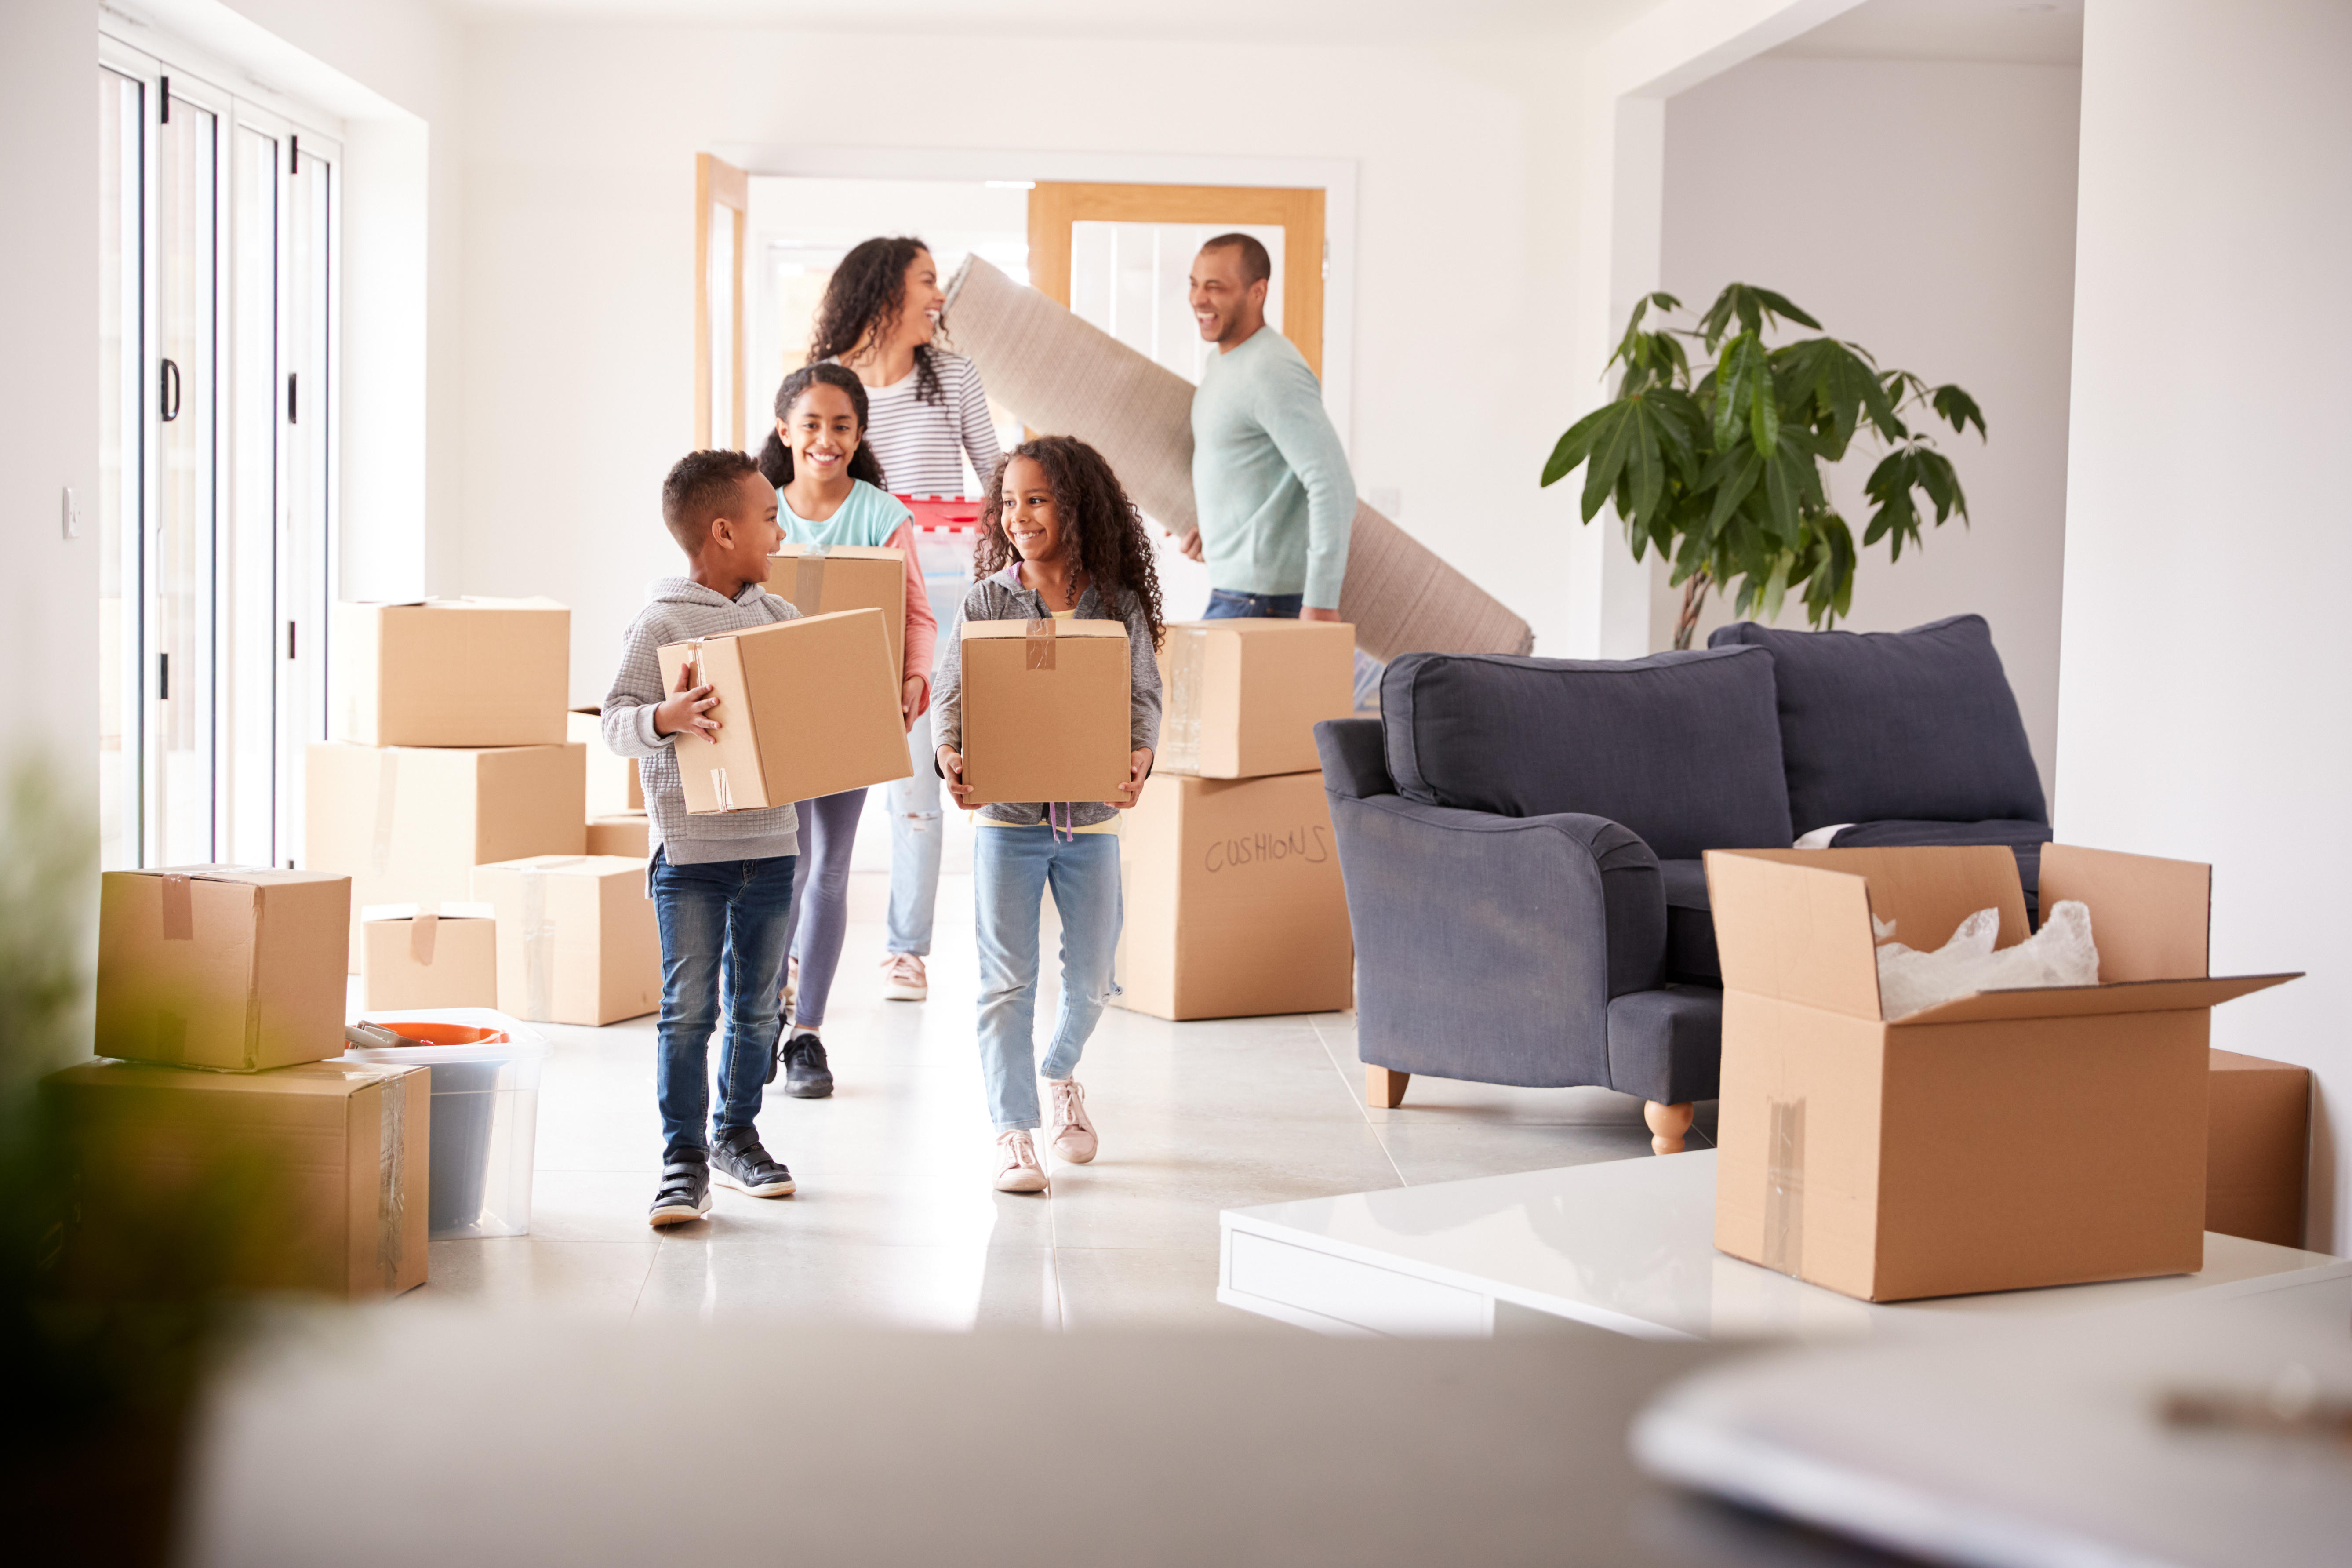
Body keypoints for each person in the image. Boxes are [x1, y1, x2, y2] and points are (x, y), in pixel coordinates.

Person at [931, 437, 1164, 1194]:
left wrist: (1141, 754)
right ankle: (1013, 1132)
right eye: (1008, 503)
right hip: (1006, 818)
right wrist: (950, 754)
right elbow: (952, 696)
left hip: (1091, 818)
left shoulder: (1115, 605)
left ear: (1077, 506)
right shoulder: (986, 602)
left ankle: (1060, 1072)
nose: (1018, 517)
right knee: (1005, 984)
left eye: (1036, 500)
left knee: (1095, 981)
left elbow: (1143, 701)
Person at [602, 449, 802, 1227]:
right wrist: (666, 719)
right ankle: (682, 1157)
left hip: (774, 845)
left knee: (757, 1009)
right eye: (768, 517)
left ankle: (737, 1134)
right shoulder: (660, 622)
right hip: (690, 857)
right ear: (724, 531)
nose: (779, 530)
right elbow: (616, 720)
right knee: (690, 1008)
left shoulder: (779, 619)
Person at [809, 236, 1004, 1006]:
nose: (939, 296)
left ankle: (905, 951)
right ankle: (800, 948)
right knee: (819, 771)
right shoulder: (831, 389)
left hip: (940, 596)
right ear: (886, 290)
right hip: (851, 593)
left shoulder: (952, 378)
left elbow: (997, 481)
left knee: (919, 776)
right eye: (927, 281)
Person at [757, 362, 939, 1100]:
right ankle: (762, 1015)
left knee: (829, 867)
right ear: (785, 431)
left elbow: (918, 615)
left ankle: (808, 1033)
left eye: (842, 427)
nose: (826, 441)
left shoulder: (881, 516)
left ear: (859, 435)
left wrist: (914, 682)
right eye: (812, 425)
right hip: (774, 711)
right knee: (783, 870)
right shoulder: (758, 507)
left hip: (852, 708)